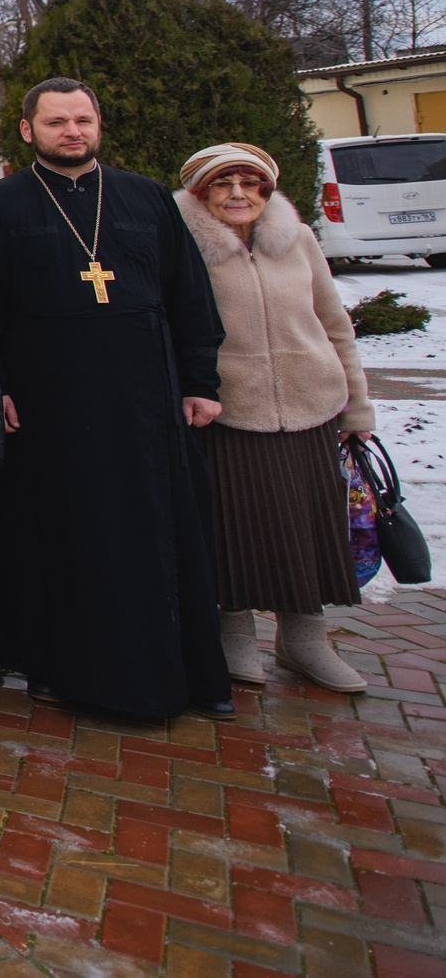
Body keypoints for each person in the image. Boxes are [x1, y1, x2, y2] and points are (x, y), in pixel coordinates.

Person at [0, 79, 232, 720]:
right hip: (48, 402)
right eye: (56, 121)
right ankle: (59, 665)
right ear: (27, 130)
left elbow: (189, 294)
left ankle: (187, 671)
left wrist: (200, 381)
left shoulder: (145, 197)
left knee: (156, 533)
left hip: (146, 400)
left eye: (83, 119)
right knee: (66, 534)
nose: (73, 131)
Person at [174, 143, 373, 694]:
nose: (238, 194)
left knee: (309, 529)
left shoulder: (299, 239)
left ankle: (305, 639)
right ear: (199, 191)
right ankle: (234, 635)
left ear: (267, 188)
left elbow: (335, 325)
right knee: (234, 530)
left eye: (250, 182)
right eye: (223, 183)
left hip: (312, 407)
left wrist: (358, 404)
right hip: (228, 412)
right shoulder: (182, 246)